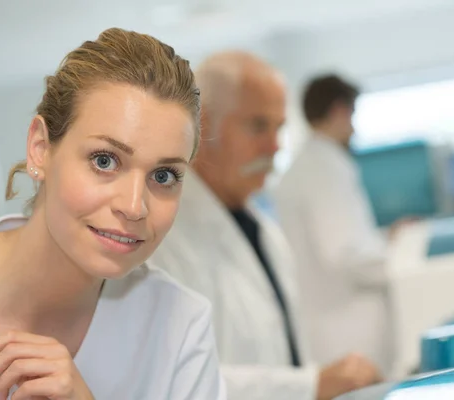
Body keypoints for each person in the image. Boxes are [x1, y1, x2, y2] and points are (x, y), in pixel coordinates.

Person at [0, 28, 226, 399]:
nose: (134, 206)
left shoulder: (180, 326)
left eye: (163, 175)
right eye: (105, 160)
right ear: (40, 149)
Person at [149, 52, 381, 400]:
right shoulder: (162, 241)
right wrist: (310, 386)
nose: (274, 146)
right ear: (202, 127)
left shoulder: (263, 229)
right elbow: (173, 378)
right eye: (258, 126)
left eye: (279, 128)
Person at [273, 74, 399, 374]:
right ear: (340, 111)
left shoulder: (307, 166)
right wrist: (401, 263)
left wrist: (383, 239)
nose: (353, 127)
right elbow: (345, 255)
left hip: (328, 327)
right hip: (349, 331)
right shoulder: (325, 168)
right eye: (352, 115)